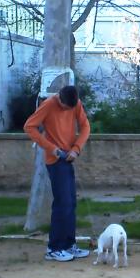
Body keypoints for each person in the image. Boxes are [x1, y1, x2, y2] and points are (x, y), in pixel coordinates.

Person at [24, 85, 91, 262]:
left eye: (71, 108)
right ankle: (54, 248)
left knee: (71, 202)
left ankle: (69, 244)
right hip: (55, 160)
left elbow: (85, 127)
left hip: (69, 157)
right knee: (63, 203)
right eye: (65, 107)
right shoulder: (48, 104)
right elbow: (29, 127)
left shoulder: (76, 103)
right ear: (59, 98)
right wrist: (51, 148)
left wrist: (76, 149)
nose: (67, 110)